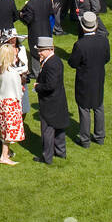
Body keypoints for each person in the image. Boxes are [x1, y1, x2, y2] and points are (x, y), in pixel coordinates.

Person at [69, 11, 110, 147]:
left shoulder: (80, 44)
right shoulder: (103, 41)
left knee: (84, 108)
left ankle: (85, 139)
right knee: (98, 106)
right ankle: (99, 136)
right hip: (98, 78)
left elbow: (72, 63)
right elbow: (107, 58)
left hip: (84, 81)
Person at [0, 36, 28, 165]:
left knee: (2, 129)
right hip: (10, 103)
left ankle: (6, 152)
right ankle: (4, 156)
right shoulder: (12, 73)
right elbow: (18, 92)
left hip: (0, 101)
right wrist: (22, 91)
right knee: (9, 132)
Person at [33, 36, 68, 164]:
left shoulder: (51, 64)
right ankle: (60, 152)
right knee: (59, 127)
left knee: (47, 130)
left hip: (49, 102)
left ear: (50, 49)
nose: (39, 53)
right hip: (58, 100)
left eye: (41, 50)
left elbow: (50, 85)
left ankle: (47, 157)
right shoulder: (56, 60)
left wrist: (38, 87)